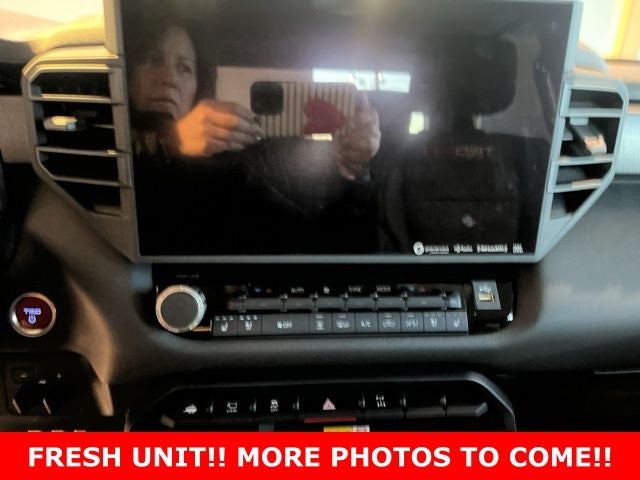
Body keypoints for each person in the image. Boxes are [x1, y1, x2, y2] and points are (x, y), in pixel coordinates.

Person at [124, 7, 381, 255]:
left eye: (184, 68)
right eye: (152, 60)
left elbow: (327, 245)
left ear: (197, 85)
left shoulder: (237, 163)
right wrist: (170, 140)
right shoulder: (114, 151)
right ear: (126, 73)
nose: (169, 78)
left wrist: (354, 173)